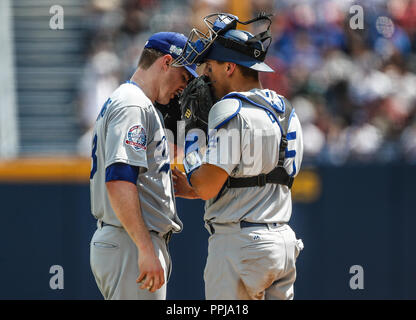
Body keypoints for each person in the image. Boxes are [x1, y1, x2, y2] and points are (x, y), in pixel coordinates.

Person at [172, 13, 304, 300]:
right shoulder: (287, 110)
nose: (205, 74)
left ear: (229, 67)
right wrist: (197, 189)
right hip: (282, 243)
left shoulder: (230, 108)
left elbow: (207, 185)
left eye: (210, 66)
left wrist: (192, 134)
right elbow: (254, 177)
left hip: (241, 246)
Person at [89, 32, 198, 300]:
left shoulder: (135, 102)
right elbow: (119, 180)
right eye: (184, 76)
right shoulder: (133, 104)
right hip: (130, 242)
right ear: (166, 62)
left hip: (127, 240)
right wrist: (145, 247)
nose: (184, 87)